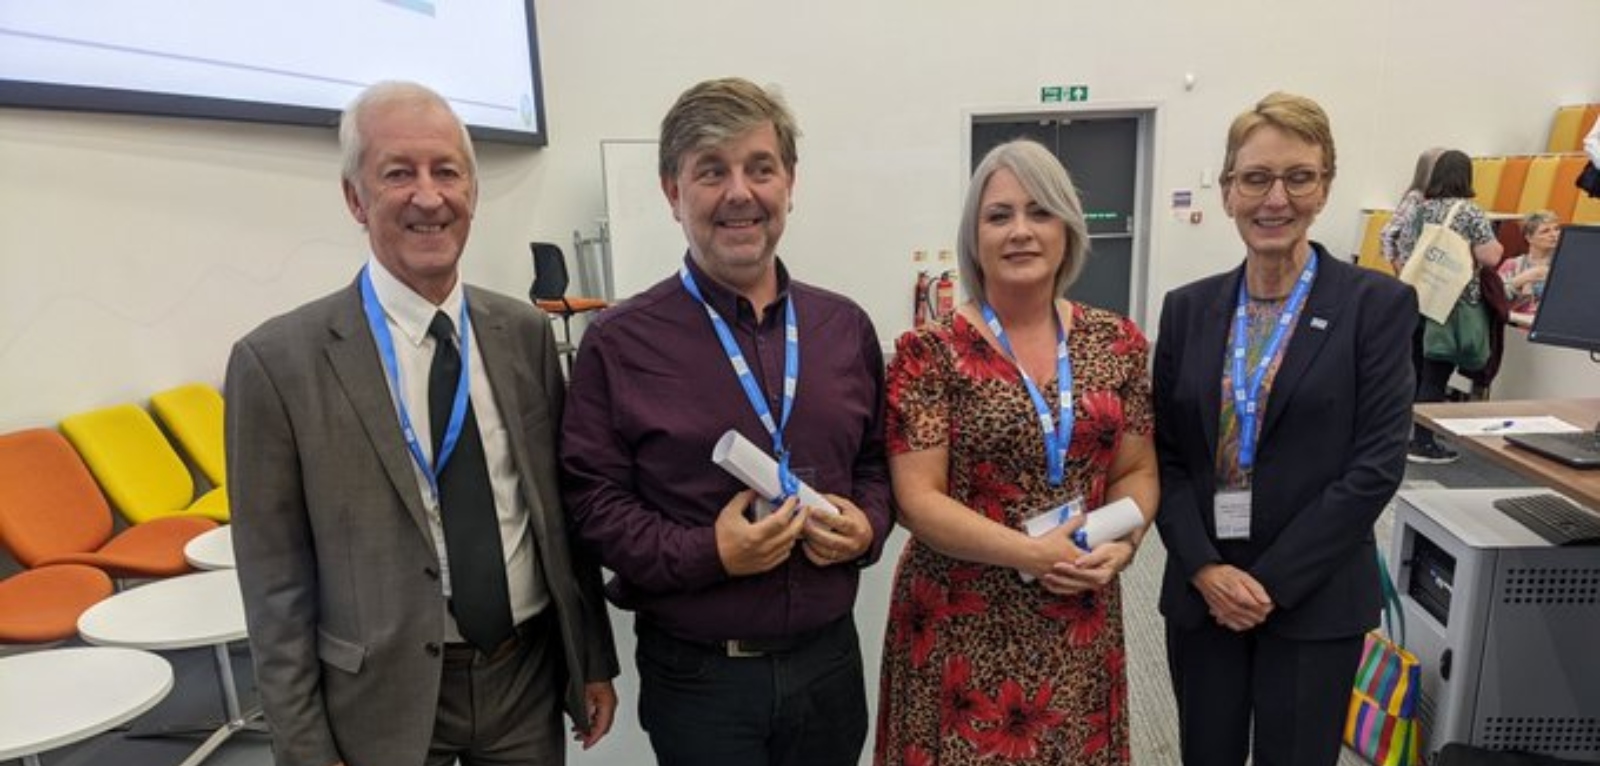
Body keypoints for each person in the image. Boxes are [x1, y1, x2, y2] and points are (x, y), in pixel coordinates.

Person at [226, 81, 618, 766]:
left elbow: (560, 518)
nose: (429, 197)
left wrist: (591, 658)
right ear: (355, 197)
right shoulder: (277, 364)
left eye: (447, 172)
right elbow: (274, 585)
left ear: (472, 190)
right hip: (380, 697)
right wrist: (305, 749)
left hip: (523, 675)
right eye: (398, 173)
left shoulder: (525, 334)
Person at [560, 77, 892, 766]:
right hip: (700, 679)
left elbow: (874, 461)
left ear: (789, 184)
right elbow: (593, 505)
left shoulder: (844, 328)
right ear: (672, 192)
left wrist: (867, 525)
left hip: (830, 665)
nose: (740, 193)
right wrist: (709, 552)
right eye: (712, 171)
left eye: (760, 168)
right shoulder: (619, 343)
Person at [874, 139, 1158, 766]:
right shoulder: (930, 352)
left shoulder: (1118, 343)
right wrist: (1031, 552)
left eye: (1041, 212)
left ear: (1068, 229)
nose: (1021, 231)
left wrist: (1124, 543)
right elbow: (916, 499)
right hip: (961, 618)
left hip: (1078, 611)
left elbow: (1137, 472)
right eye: (999, 215)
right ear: (974, 238)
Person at [1152, 92, 1416, 766]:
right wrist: (1205, 568)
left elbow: (1376, 467)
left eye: (1298, 177)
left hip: (1314, 594)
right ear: (1228, 190)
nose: (1276, 199)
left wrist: (1269, 582)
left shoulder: (1376, 306)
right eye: (1256, 178)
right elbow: (1167, 456)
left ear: (1325, 187)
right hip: (1204, 594)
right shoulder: (1187, 310)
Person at [1391, 149, 1504, 464]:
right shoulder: (1470, 212)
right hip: (1450, 303)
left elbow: (1403, 252)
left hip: (1418, 297)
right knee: (1436, 374)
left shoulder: (1419, 209)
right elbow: (1490, 256)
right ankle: (1424, 442)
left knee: (1415, 369)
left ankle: (1406, 434)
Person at [1380, 146, 1445, 272]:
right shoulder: (1415, 198)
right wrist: (1400, 268)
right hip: (1414, 270)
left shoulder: (1442, 201)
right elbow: (1387, 234)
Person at [1499, 210, 1561, 314]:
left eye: (1556, 229)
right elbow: (1494, 297)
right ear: (1529, 238)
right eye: (1545, 231)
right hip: (1517, 321)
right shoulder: (1512, 264)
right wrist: (1523, 279)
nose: (1554, 234)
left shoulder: (1563, 264)